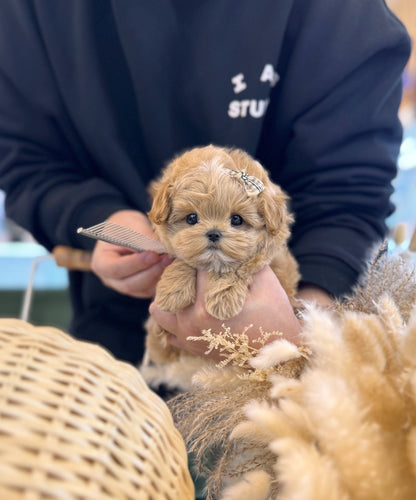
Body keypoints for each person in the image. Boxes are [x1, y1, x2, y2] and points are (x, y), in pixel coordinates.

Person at [0, 1, 410, 364]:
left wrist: (295, 331)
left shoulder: (342, 18)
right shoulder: (30, 13)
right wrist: (100, 220)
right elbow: (28, 160)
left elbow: (348, 196)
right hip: (113, 353)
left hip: (298, 334)